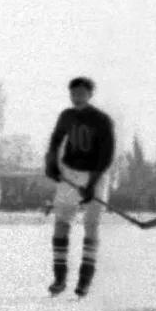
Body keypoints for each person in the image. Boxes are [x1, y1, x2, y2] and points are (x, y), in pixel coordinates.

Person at [43, 77, 115, 298]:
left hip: (97, 173)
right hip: (71, 172)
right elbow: (55, 141)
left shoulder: (102, 119)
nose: (76, 97)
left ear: (90, 94)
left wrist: (92, 184)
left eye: (81, 93)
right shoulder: (67, 116)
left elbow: (106, 155)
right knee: (62, 223)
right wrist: (52, 165)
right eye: (73, 93)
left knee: (91, 225)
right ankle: (60, 278)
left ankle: (84, 281)